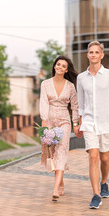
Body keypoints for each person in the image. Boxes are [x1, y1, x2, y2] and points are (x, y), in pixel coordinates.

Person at [77, 41, 109, 209]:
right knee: (93, 156)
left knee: (104, 157)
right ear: (87, 55)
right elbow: (80, 104)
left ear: (102, 55)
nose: (94, 54)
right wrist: (78, 123)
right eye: (91, 52)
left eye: (97, 52)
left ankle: (104, 182)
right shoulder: (81, 78)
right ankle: (96, 195)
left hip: (106, 123)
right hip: (89, 122)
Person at [39, 55, 80, 201]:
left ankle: (55, 189)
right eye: (58, 64)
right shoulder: (45, 84)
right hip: (49, 121)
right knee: (52, 153)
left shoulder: (70, 86)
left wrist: (75, 124)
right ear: (54, 66)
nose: (60, 67)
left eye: (63, 66)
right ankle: (61, 183)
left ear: (67, 69)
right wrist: (44, 123)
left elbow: (75, 106)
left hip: (64, 122)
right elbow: (43, 102)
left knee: (61, 151)